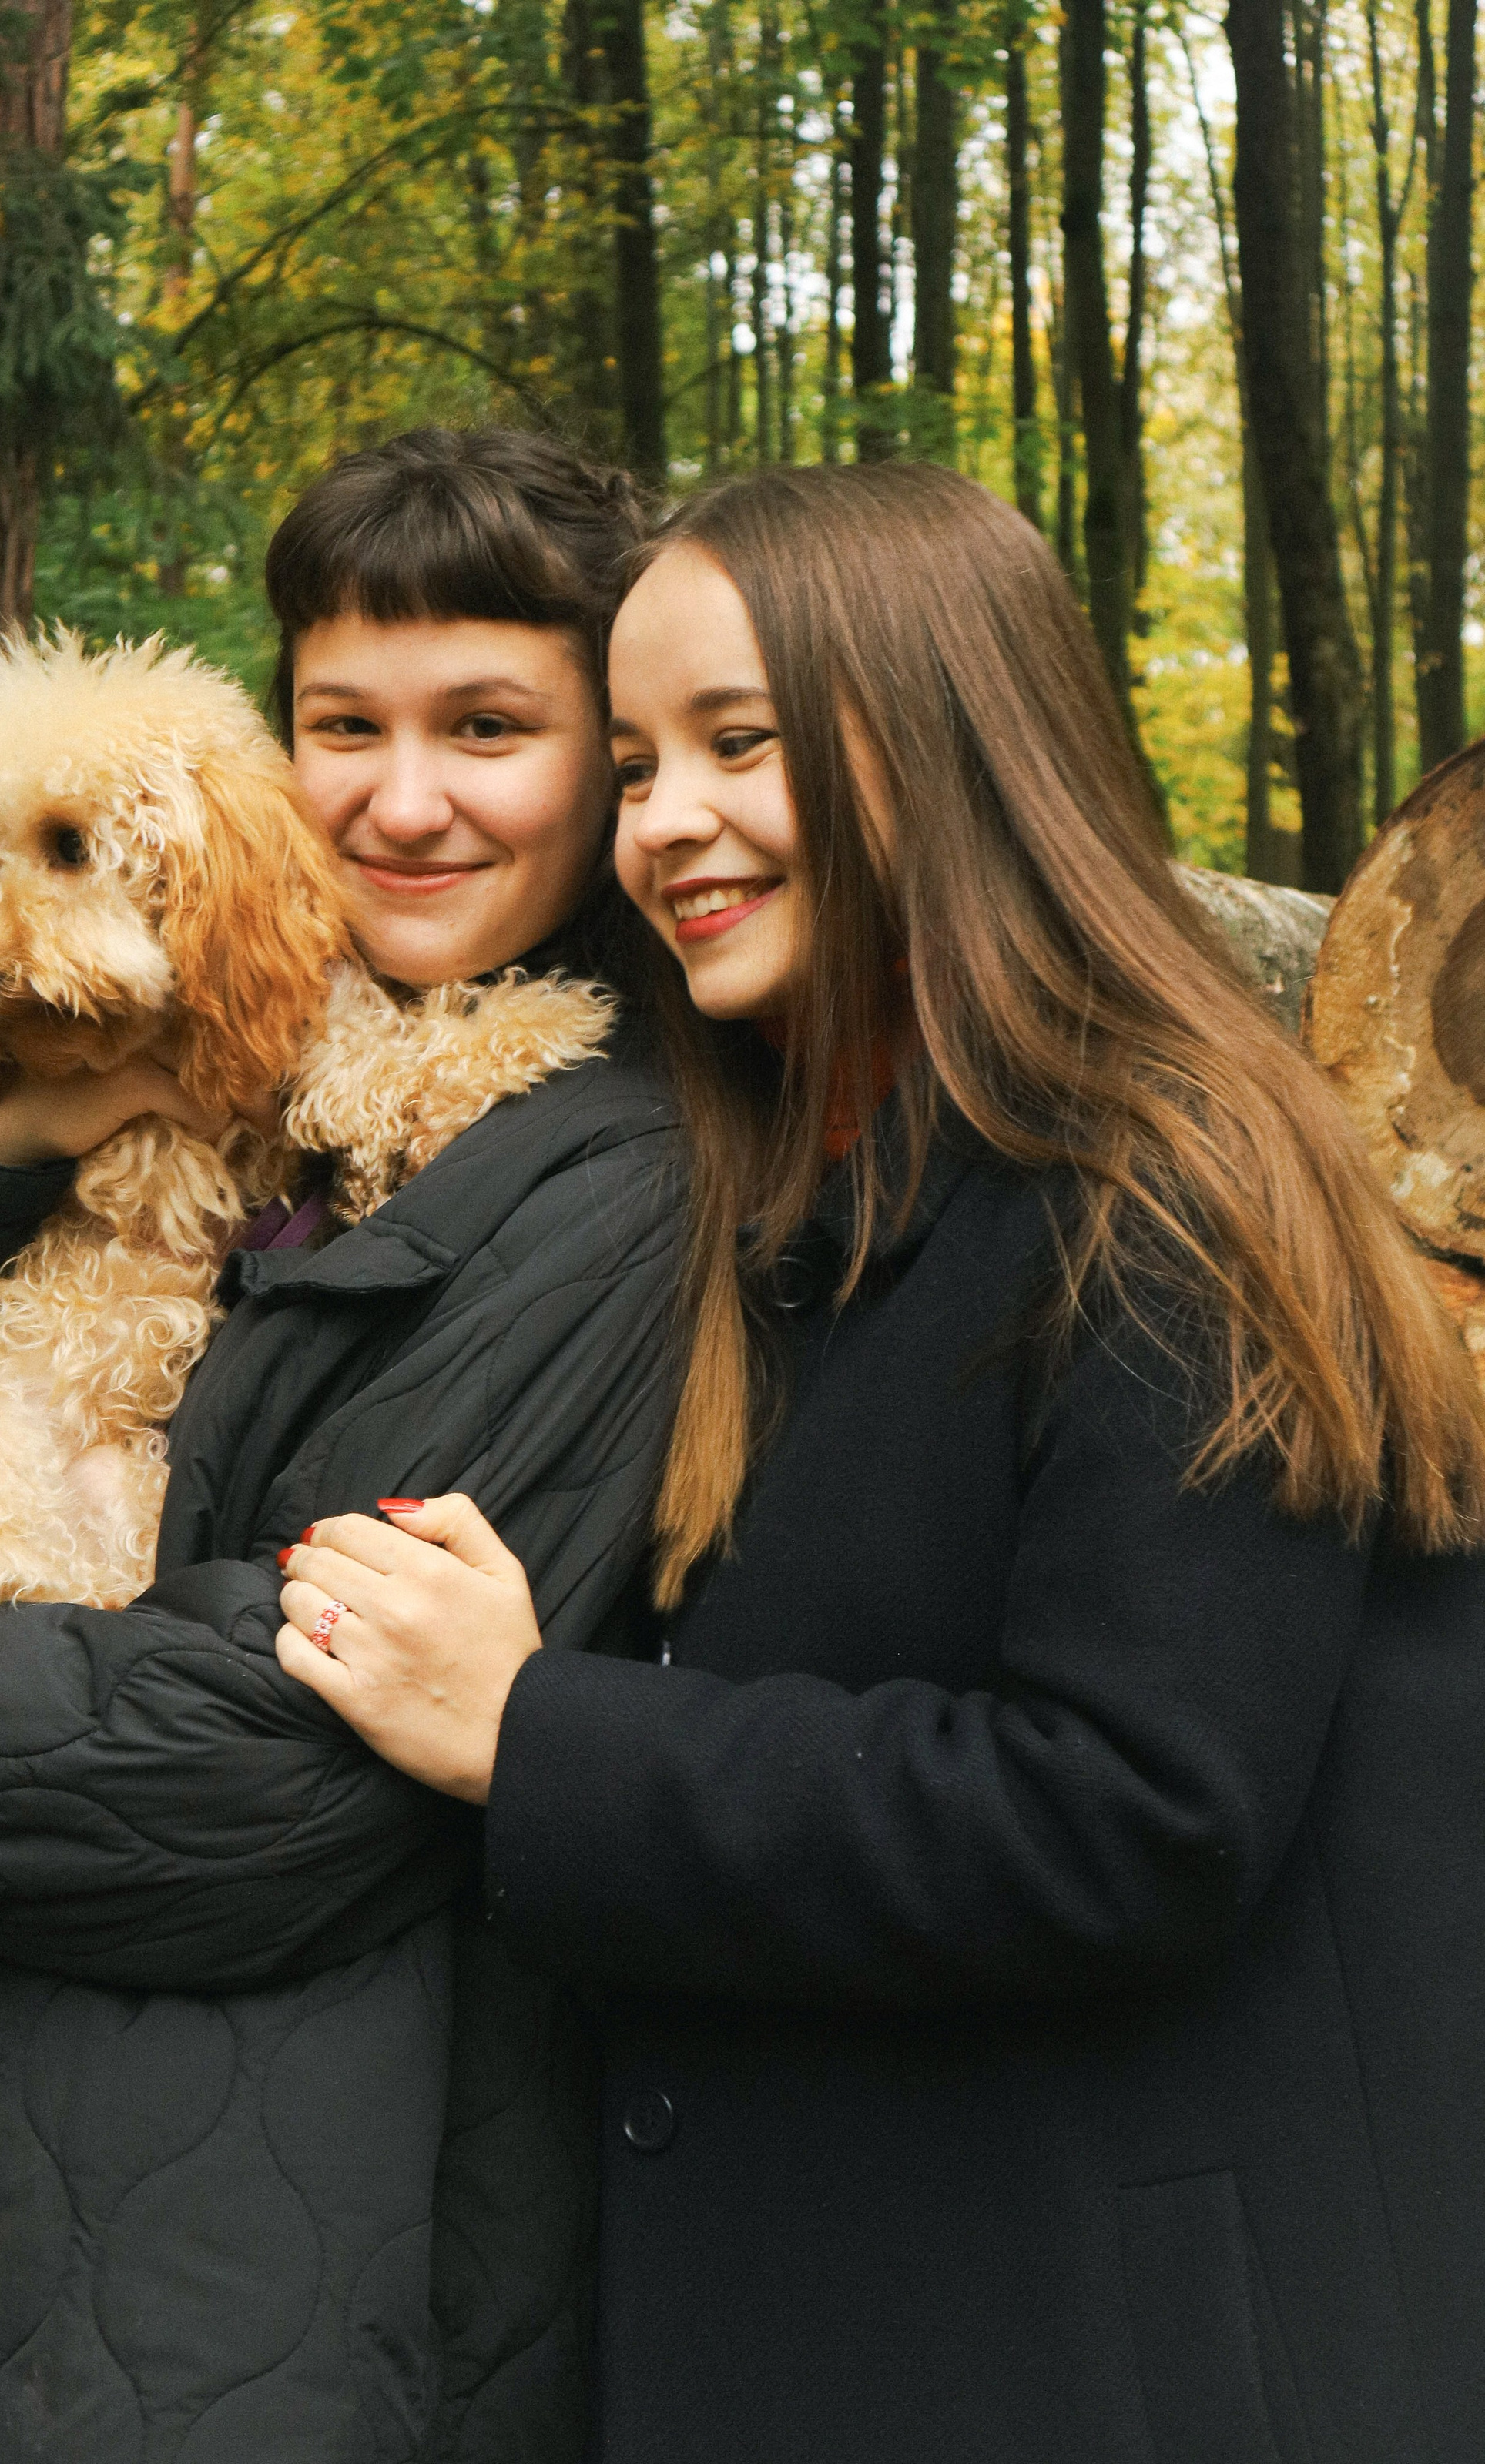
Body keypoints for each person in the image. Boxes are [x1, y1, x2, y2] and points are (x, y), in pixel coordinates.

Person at [278, 462, 1485, 2464]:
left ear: (946, 728)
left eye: (739, 745)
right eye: (643, 761)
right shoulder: (816, 1201)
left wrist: (534, 1734)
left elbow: (1133, 1808)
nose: (668, 824)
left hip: (1118, 2356)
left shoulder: (1164, 1183)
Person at [0, 429, 686, 2464]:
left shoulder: (613, 1177)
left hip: (262, 2271)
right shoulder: (165, 1055)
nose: (400, 800)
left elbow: (266, 1781)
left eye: (488, 726)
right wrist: (4, 1147)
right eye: (340, 725)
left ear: (612, 754)